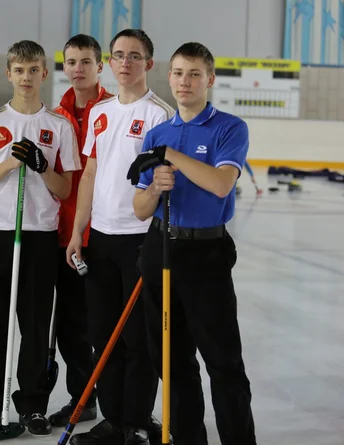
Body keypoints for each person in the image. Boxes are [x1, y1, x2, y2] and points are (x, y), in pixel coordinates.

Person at [130, 42, 257, 445]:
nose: (185, 81)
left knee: (223, 362)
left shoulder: (229, 127)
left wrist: (172, 158)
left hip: (205, 255)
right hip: (160, 248)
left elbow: (221, 185)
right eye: (179, 73)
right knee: (171, 361)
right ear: (169, 77)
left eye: (195, 74)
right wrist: (155, 190)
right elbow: (139, 207)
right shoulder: (157, 132)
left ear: (210, 80)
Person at [0, 40, 80, 437]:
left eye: (34, 70)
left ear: (44, 74)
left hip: (39, 236)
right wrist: (9, 164)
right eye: (19, 70)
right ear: (8, 74)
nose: (26, 77)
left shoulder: (59, 127)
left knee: (33, 326)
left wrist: (42, 166)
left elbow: (64, 190)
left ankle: (31, 405)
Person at [66, 29, 174, 445]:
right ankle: (112, 420)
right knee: (102, 334)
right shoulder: (100, 112)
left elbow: (163, 183)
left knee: (138, 338)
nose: (125, 63)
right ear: (109, 64)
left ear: (149, 63)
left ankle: (136, 422)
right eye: (118, 56)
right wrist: (78, 230)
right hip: (101, 237)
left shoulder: (158, 115)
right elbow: (91, 173)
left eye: (135, 56)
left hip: (140, 239)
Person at [47, 33, 113, 428]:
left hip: (105, 235)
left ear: (99, 66)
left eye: (85, 61)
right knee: (71, 326)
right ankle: (82, 397)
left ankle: (120, 404)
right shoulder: (56, 117)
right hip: (65, 237)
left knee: (106, 324)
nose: (77, 69)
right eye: (71, 62)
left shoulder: (115, 111)